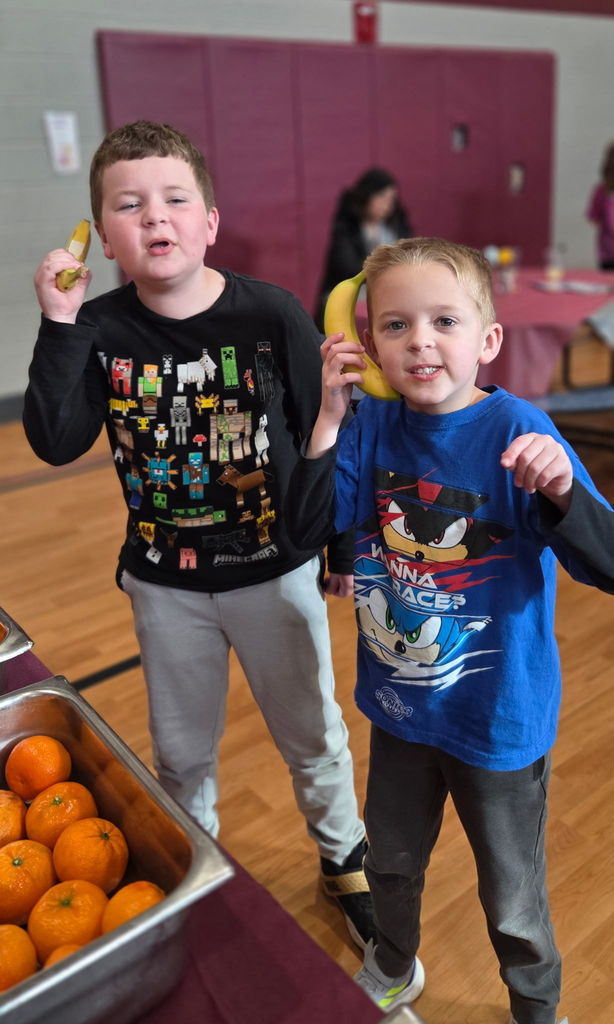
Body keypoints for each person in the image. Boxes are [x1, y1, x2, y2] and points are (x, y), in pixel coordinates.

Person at [23, 119, 376, 951]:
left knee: (313, 734)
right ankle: (199, 864)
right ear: (104, 236)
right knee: (181, 753)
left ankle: (344, 857)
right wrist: (60, 321)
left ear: (210, 221)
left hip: (273, 569)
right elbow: (53, 436)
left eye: (176, 199)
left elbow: (328, 432)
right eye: (130, 205)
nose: (156, 217)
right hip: (164, 583)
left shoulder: (270, 314)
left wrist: (341, 547)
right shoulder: (100, 327)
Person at [285, 236, 614, 1022]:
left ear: (488, 339)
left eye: (444, 320)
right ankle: (394, 963)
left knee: (513, 900)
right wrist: (329, 418)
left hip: (498, 720)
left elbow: (607, 562)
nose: (421, 341)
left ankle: (537, 1008)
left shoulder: (519, 429)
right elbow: (303, 532)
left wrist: (563, 490)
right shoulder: (366, 428)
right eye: (395, 326)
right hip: (401, 713)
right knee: (390, 868)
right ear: (369, 347)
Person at [314, 167, 412, 330]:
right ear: (367, 196)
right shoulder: (347, 226)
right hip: (354, 289)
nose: (386, 205)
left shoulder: (396, 226)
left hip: (390, 289)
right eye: (381, 197)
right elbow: (345, 266)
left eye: (391, 199)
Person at [586, 142, 614, 270]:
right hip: (608, 251)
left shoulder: (601, 190)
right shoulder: (602, 191)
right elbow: (593, 216)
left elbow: (593, 217)